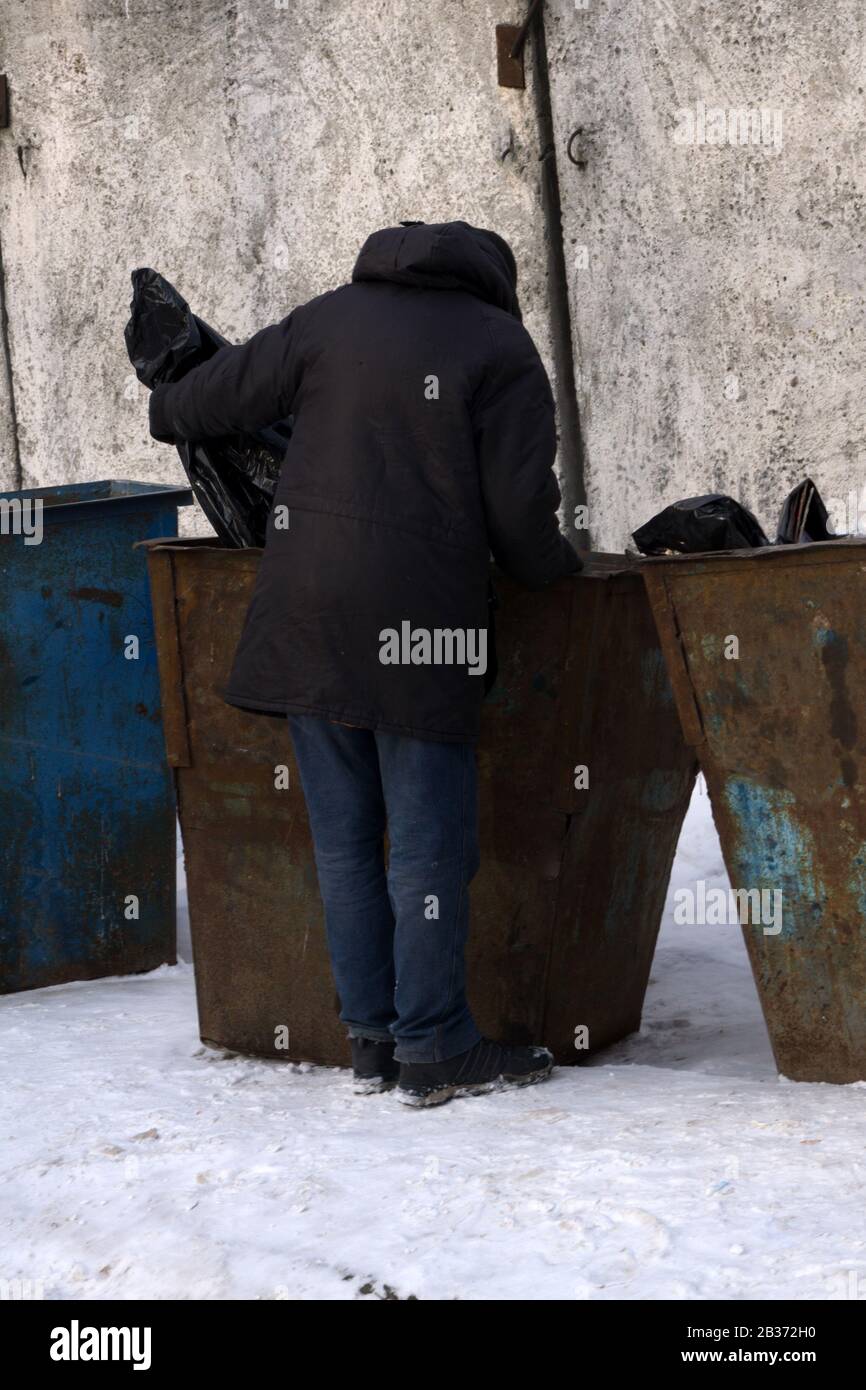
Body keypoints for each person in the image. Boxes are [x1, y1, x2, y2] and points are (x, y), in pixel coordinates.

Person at [149, 219, 581, 1107]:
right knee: (427, 850)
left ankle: (373, 1043)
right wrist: (559, 572)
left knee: (345, 845)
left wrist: (169, 395)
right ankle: (436, 1046)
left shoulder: (329, 318)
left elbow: (202, 403)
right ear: (492, 283)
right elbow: (518, 514)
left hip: (305, 619)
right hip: (421, 628)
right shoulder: (500, 346)